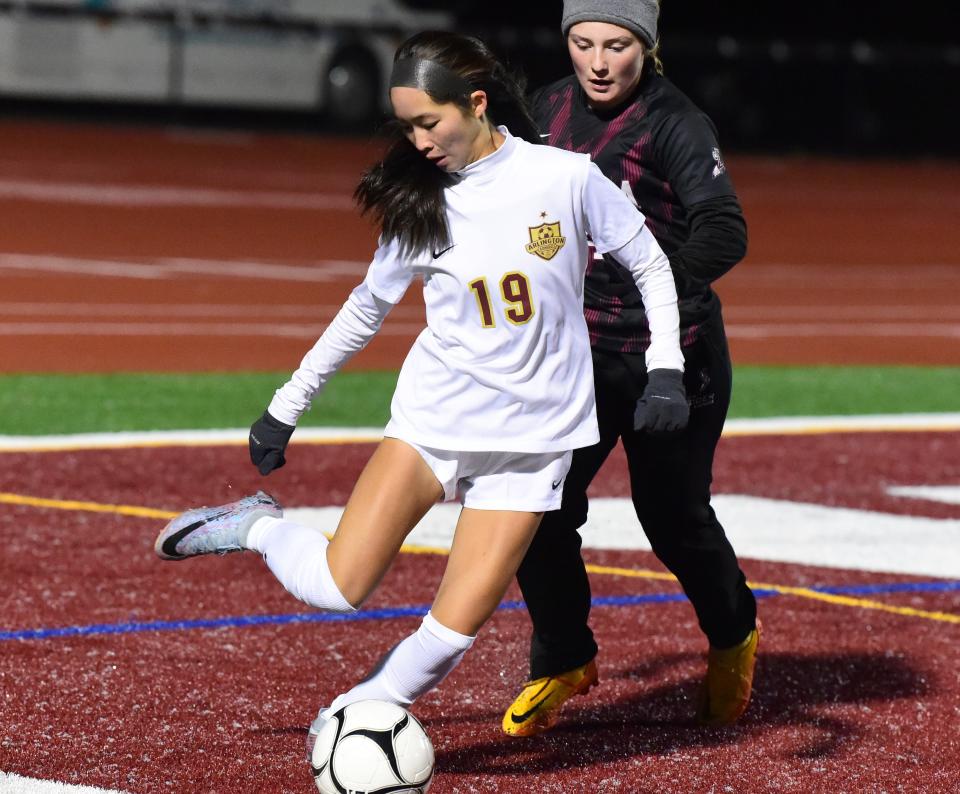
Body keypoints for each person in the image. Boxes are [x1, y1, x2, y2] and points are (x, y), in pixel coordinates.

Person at [153, 29, 687, 756]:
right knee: (340, 589)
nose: (419, 141)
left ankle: (360, 714)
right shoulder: (422, 204)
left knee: (451, 632)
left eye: (428, 123)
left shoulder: (565, 178)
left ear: (475, 103)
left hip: (534, 445)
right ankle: (259, 526)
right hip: (436, 422)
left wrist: (666, 368)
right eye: (406, 126)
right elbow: (365, 308)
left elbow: (653, 267)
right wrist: (288, 405)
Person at [501, 0, 760, 737]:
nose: (599, 61)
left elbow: (725, 229)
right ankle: (563, 656)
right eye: (583, 42)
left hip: (671, 360)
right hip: (575, 355)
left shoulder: (675, 122)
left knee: (673, 521)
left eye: (617, 44)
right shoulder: (543, 108)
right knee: (536, 505)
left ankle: (734, 632)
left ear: (646, 46)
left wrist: (652, 284)